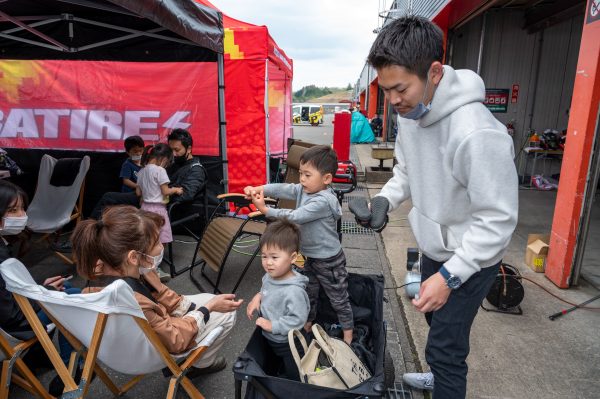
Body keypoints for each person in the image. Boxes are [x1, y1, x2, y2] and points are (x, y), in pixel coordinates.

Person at [362, 16, 518, 397]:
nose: (393, 101)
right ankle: (439, 371)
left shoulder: (477, 133)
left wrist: (450, 277)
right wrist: (386, 197)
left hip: (472, 257)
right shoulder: (412, 113)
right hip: (432, 243)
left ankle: (444, 375)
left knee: (446, 349)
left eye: (400, 89)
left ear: (434, 72)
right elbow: (408, 169)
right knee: (432, 316)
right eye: (386, 91)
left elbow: (497, 220)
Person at [71, 205, 241, 376]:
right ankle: (200, 365)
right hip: (155, 349)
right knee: (228, 313)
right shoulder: (133, 298)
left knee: (211, 299)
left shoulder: (108, 271)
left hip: (127, 345)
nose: (161, 247)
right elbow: (175, 340)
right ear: (133, 257)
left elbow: (161, 299)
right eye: (156, 242)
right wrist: (207, 308)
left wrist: (187, 308)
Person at [244, 145, 354, 345]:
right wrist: (260, 188)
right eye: (301, 173)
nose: (301, 179)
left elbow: (295, 217)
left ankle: (348, 333)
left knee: (338, 297)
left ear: (326, 179)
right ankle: (307, 323)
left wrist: (266, 210)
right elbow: (285, 189)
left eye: (307, 175)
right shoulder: (305, 189)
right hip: (310, 256)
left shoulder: (322, 201)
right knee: (309, 290)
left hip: (329, 260)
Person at [0, 180, 81, 395]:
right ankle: (70, 374)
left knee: (68, 288)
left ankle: (70, 364)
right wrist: (45, 294)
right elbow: (11, 316)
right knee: (70, 298)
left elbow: (8, 293)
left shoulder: (3, 246)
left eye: (22, 208)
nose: (21, 215)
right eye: (12, 210)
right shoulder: (0, 255)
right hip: (11, 331)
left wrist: (38, 288)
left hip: (12, 316)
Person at [89, 129, 206, 220]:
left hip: (158, 204)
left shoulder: (196, 170)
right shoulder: (173, 163)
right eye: (171, 150)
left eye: (177, 150)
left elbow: (186, 194)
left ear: (189, 149)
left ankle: (87, 236)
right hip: (149, 197)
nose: (173, 154)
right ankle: (94, 235)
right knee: (109, 199)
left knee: (109, 198)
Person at [246, 219, 309, 381]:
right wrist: (257, 298)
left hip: (289, 343)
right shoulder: (270, 276)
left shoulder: (294, 291)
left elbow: (297, 319)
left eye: (274, 257)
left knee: (296, 373)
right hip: (273, 337)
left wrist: (273, 325)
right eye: (264, 256)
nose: (268, 263)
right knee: (278, 364)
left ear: (293, 257)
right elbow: (265, 290)